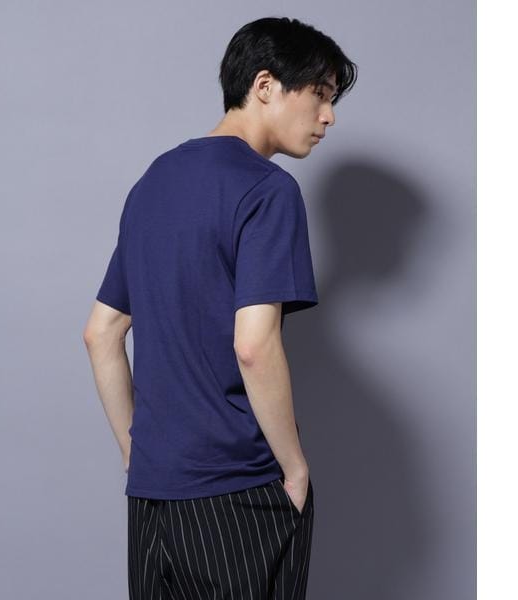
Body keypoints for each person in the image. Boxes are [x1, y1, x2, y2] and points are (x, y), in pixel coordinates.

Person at [83, 16, 357, 599]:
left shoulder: (153, 182)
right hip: (239, 493)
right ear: (265, 85)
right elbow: (253, 344)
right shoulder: (268, 189)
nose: (329, 116)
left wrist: (139, 455)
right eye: (320, 95)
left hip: (153, 497)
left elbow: (101, 333)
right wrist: (296, 470)